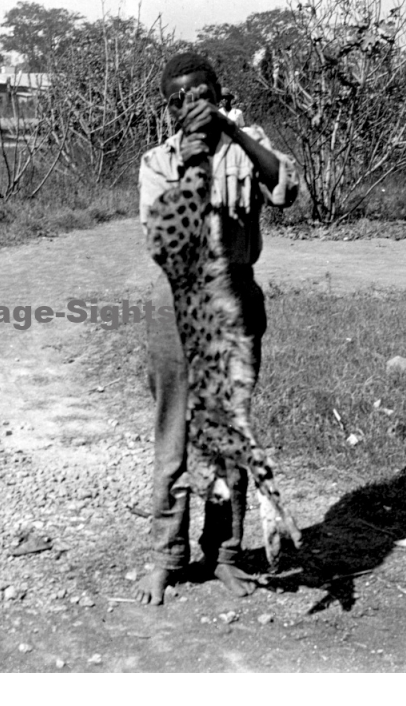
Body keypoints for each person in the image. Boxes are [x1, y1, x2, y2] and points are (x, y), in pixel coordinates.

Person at [136, 52, 299, 606]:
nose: (193, 103)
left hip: (235, 304)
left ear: (219, 93)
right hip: (176, 310)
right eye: (181, 97)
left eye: (202, 93)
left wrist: (231, 130)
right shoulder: (158, 161)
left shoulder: (247, 148)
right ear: (170, 107)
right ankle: (167, 557)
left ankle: (225, 553)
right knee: (174, 439)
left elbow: (286, 186)